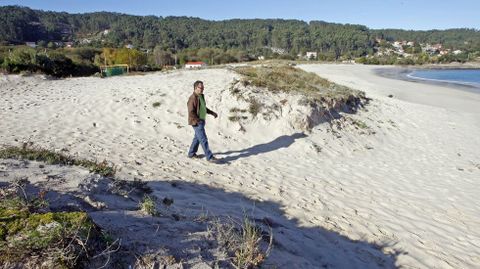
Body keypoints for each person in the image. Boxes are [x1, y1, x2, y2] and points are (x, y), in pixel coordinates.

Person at [187, 80, 220, 163]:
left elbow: (204, 108)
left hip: (201, 120)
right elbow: (191, 112)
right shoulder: (192, 98)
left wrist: (212, 113)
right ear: (195, 88)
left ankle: (191, 153)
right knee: (203, 139)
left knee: (197, 139)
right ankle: (209, 157)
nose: (202, 89)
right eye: (200, 87)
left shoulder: (201, 96)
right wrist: (197, 121)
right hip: (196, 122)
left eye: (203, 88)